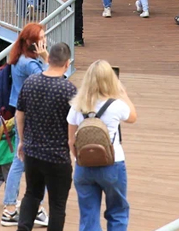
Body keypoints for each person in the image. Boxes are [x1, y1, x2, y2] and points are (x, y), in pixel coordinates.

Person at [67, 61, 137, 231]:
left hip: (84, 167)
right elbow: (133, 116)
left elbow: (71, 141)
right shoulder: (116, 105)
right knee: (117, 211)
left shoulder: (77, 105)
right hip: (112, 163)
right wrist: (123, 94)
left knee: (88, 214)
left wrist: (80, 159)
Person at [15, 42, 76, 231]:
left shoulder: (31, 82)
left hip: (33, 152)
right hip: (58, 156)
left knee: (31, 194)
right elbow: (75, 123)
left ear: (48, 60)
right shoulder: (69, 90)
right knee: (57, 205)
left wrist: (23, 141)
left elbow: (20, 114)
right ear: (67, 63)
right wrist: (73, 149)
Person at [2, 24, 51, 228]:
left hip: (21, 111)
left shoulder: (18, 58)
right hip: (32, 115)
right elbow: (52, 80)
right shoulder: (30, 64)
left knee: (20, 160)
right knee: (31, 161)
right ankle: (20, 208)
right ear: (34, 43)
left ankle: (12, 207)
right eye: (42, 38)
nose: (45, 40)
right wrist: (47, 58)